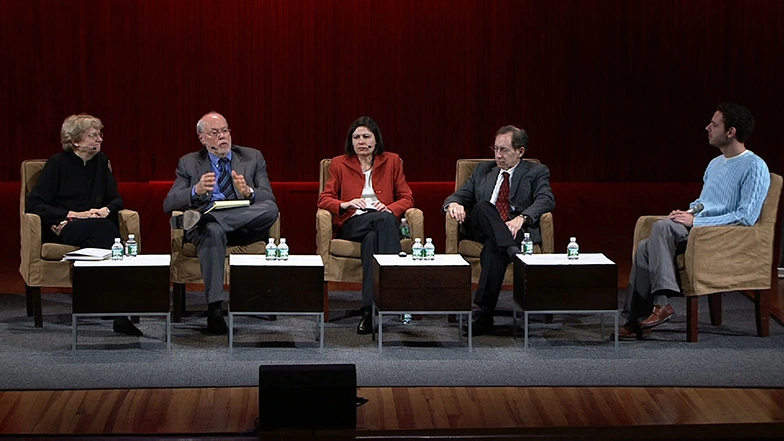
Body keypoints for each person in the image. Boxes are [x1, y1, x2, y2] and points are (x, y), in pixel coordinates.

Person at [619, 103, 771, 340]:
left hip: (722, 236)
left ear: (731, 132)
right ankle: (638, 317)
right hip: (700, 229)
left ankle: (656, 307)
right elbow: (705, 201)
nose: (707, 128)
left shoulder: (754, 166)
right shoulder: (715, 164)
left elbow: (746, 217)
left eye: (714, 124)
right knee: (645, 246)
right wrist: (687, 212)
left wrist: (695, 223)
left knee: (659, 230)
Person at [26, 114, 142, 337]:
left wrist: (105, 210)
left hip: (96, 227)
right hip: (65, 227)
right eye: (92, 136)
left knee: (104, 231)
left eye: (99, 135)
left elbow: (116, 199)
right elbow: (35, 204)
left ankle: (108, 305)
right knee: (108, 233)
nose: (99, 140)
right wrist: (72, 214)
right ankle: (116, 310)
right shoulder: (57, 164)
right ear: (75, 141)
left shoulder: (101, 162)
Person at [163, 112, 279, 334]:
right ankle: (215, 310)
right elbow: (169, 203)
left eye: (225, 131)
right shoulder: (189, 163)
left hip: (242, 225)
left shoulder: (252, 157)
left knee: (271, 209)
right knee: (213, 230)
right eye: (214, 133)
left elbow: (268, 197)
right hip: (209, 231)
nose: (222, 137)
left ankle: (208, 216)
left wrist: (249, 192)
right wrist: (195, 190)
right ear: (202, 138)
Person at [443, 125, 555, 336]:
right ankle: (510, 249)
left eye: (504, 150)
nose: (498, 155)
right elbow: (457, 196)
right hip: (483, 226)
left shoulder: (536, 172)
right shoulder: (483, 170)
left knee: (494, 248)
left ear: (520, 151)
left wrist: (521, 218)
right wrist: (454, 205)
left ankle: (485, 314)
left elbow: (546, 199)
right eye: (495, 149)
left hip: (515, 229)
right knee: (484, 206)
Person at [317, 116, 414, 335]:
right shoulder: (339, 163)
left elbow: (407, 197)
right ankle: (394, 295)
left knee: (372, 240)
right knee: (384, 221)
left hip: (380, 224)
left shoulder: (392, 161)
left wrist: (390, 208)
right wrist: (346, 203)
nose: (361, 141)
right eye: (356, 137)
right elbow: (324, 199)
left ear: (376, 140)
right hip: (352, 223)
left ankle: (369, 312)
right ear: (351, 142)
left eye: (366, 136)